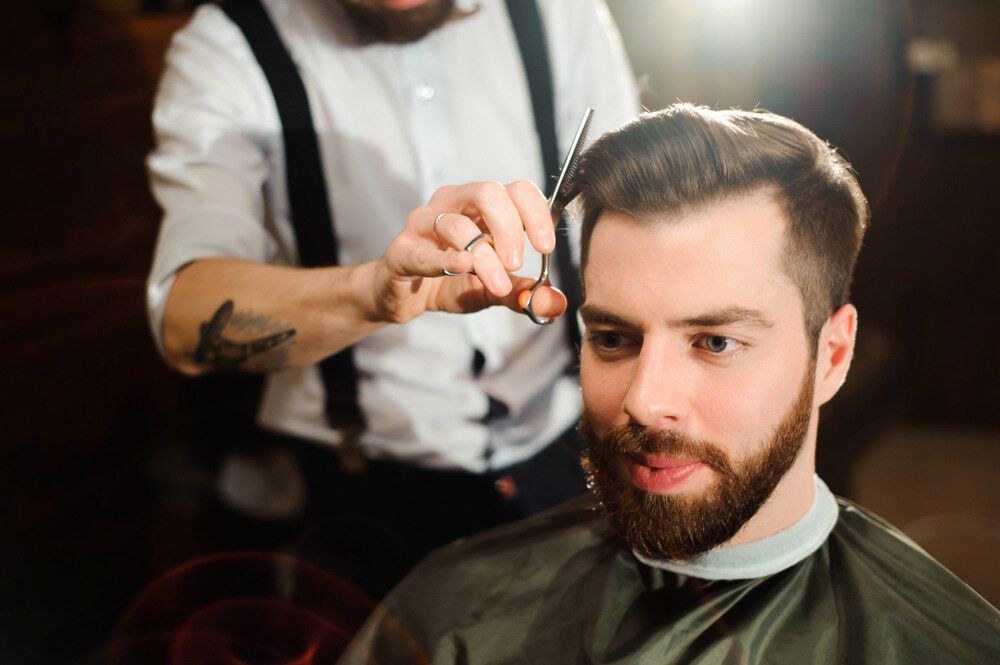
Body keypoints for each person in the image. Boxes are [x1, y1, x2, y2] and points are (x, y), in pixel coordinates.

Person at [337, 104, 1000, 663]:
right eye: (614, 338)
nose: (643, 400)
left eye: (715, 342)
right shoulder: (448, 614)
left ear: (832, 354)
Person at [145, 0, 638, 588]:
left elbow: (633, 212)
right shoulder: (230, 46)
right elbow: (184, 321)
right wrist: (374, 292)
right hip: (362, 486)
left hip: (569, 446)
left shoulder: (559, 14)